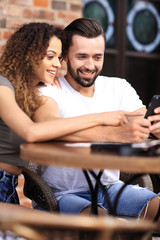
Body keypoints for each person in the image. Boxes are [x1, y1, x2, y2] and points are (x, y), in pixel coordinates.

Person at [37, 18, 160, 225]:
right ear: (65, 55)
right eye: (82, 56)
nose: (90, 65)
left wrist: (154, 124)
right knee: (107, 230)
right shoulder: (49, 90)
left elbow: (141, 118)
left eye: (97, 57)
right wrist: (113, 132)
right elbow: (46, 129)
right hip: (63, 194)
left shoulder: (118, 87)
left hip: (112, 187)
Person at [0, 22, 132, 205]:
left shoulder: (29, 92)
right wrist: (102, 117)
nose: (57, 64)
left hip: (7, 186)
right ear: (28, 55)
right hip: (2, 184)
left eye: (59, 57)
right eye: (50, 56)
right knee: (46, 229)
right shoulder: (2, 86)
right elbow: (32, 132)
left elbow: (51, 128)